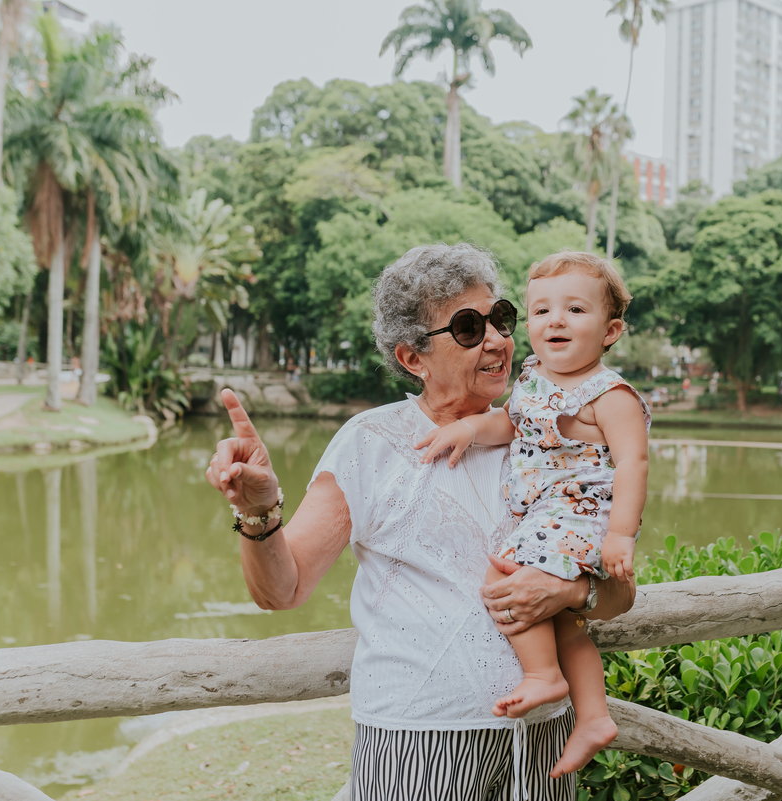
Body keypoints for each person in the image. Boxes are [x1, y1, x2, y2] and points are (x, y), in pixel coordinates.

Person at [204, 243, 636, 800]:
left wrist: (568, 592)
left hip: (543, 737)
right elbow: (281, 590)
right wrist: (258, 509)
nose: (499, 340)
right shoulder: (372, 443)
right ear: (413, 359)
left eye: (500, 318)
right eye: (467, 327)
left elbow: (618, 597)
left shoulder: (552, 437)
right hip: (419, 732)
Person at [417, 251, 650, 777]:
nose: (556, 321)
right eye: (541, 311)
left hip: (577, 514)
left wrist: (620, 536)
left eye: (574, 310)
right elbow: (513, 424)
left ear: (610, 330)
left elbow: (633, 464)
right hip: (545, 516)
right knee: (564, 621)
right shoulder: (534, 378)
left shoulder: (609, 395)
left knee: (501, 576)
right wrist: (470, 430)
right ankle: (593, 717)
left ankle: (543, 676)